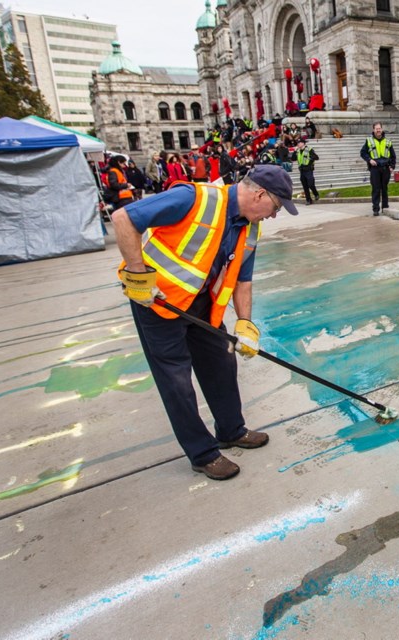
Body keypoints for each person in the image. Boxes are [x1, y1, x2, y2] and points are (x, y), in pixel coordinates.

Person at [110, 165, 301, 481]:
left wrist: (245, 325)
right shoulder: (192, 198)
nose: (274, 215)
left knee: (221, 364)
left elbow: (242, 279)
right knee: (176, 380)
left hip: (201, 306)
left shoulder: (249, 228)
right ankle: (203, 453)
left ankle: (231, 430)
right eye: (276, 207)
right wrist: (138, 274)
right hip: (157, 301)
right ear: (260, 194)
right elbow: (124, 218)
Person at [360, 122, 397, 216]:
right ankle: (375, 209)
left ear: (382, 129)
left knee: (384, 188)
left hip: (385, 168)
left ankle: (385, 207)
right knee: (376, 189)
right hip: (375, 168)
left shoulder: (388, 141)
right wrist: (369, 160)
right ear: (373, 130)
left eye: (379, 128)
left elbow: (393, 156)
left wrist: (392, 166)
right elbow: (363, 153)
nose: (378, 130)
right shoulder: (369, 141)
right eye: (376, 129)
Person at [295, 139, 320, 205]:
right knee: (305, 186)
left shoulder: (309, 149)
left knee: (311, 184)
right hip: (302, 170)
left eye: (299, 142)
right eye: (298, 143)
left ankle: (316, 194)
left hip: (308, 170)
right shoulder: (298, 151)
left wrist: (310, 160)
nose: (298, 144)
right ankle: (308, 200)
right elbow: (292, 158)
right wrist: (294, 152)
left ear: (303, 143)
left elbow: (316, 157)